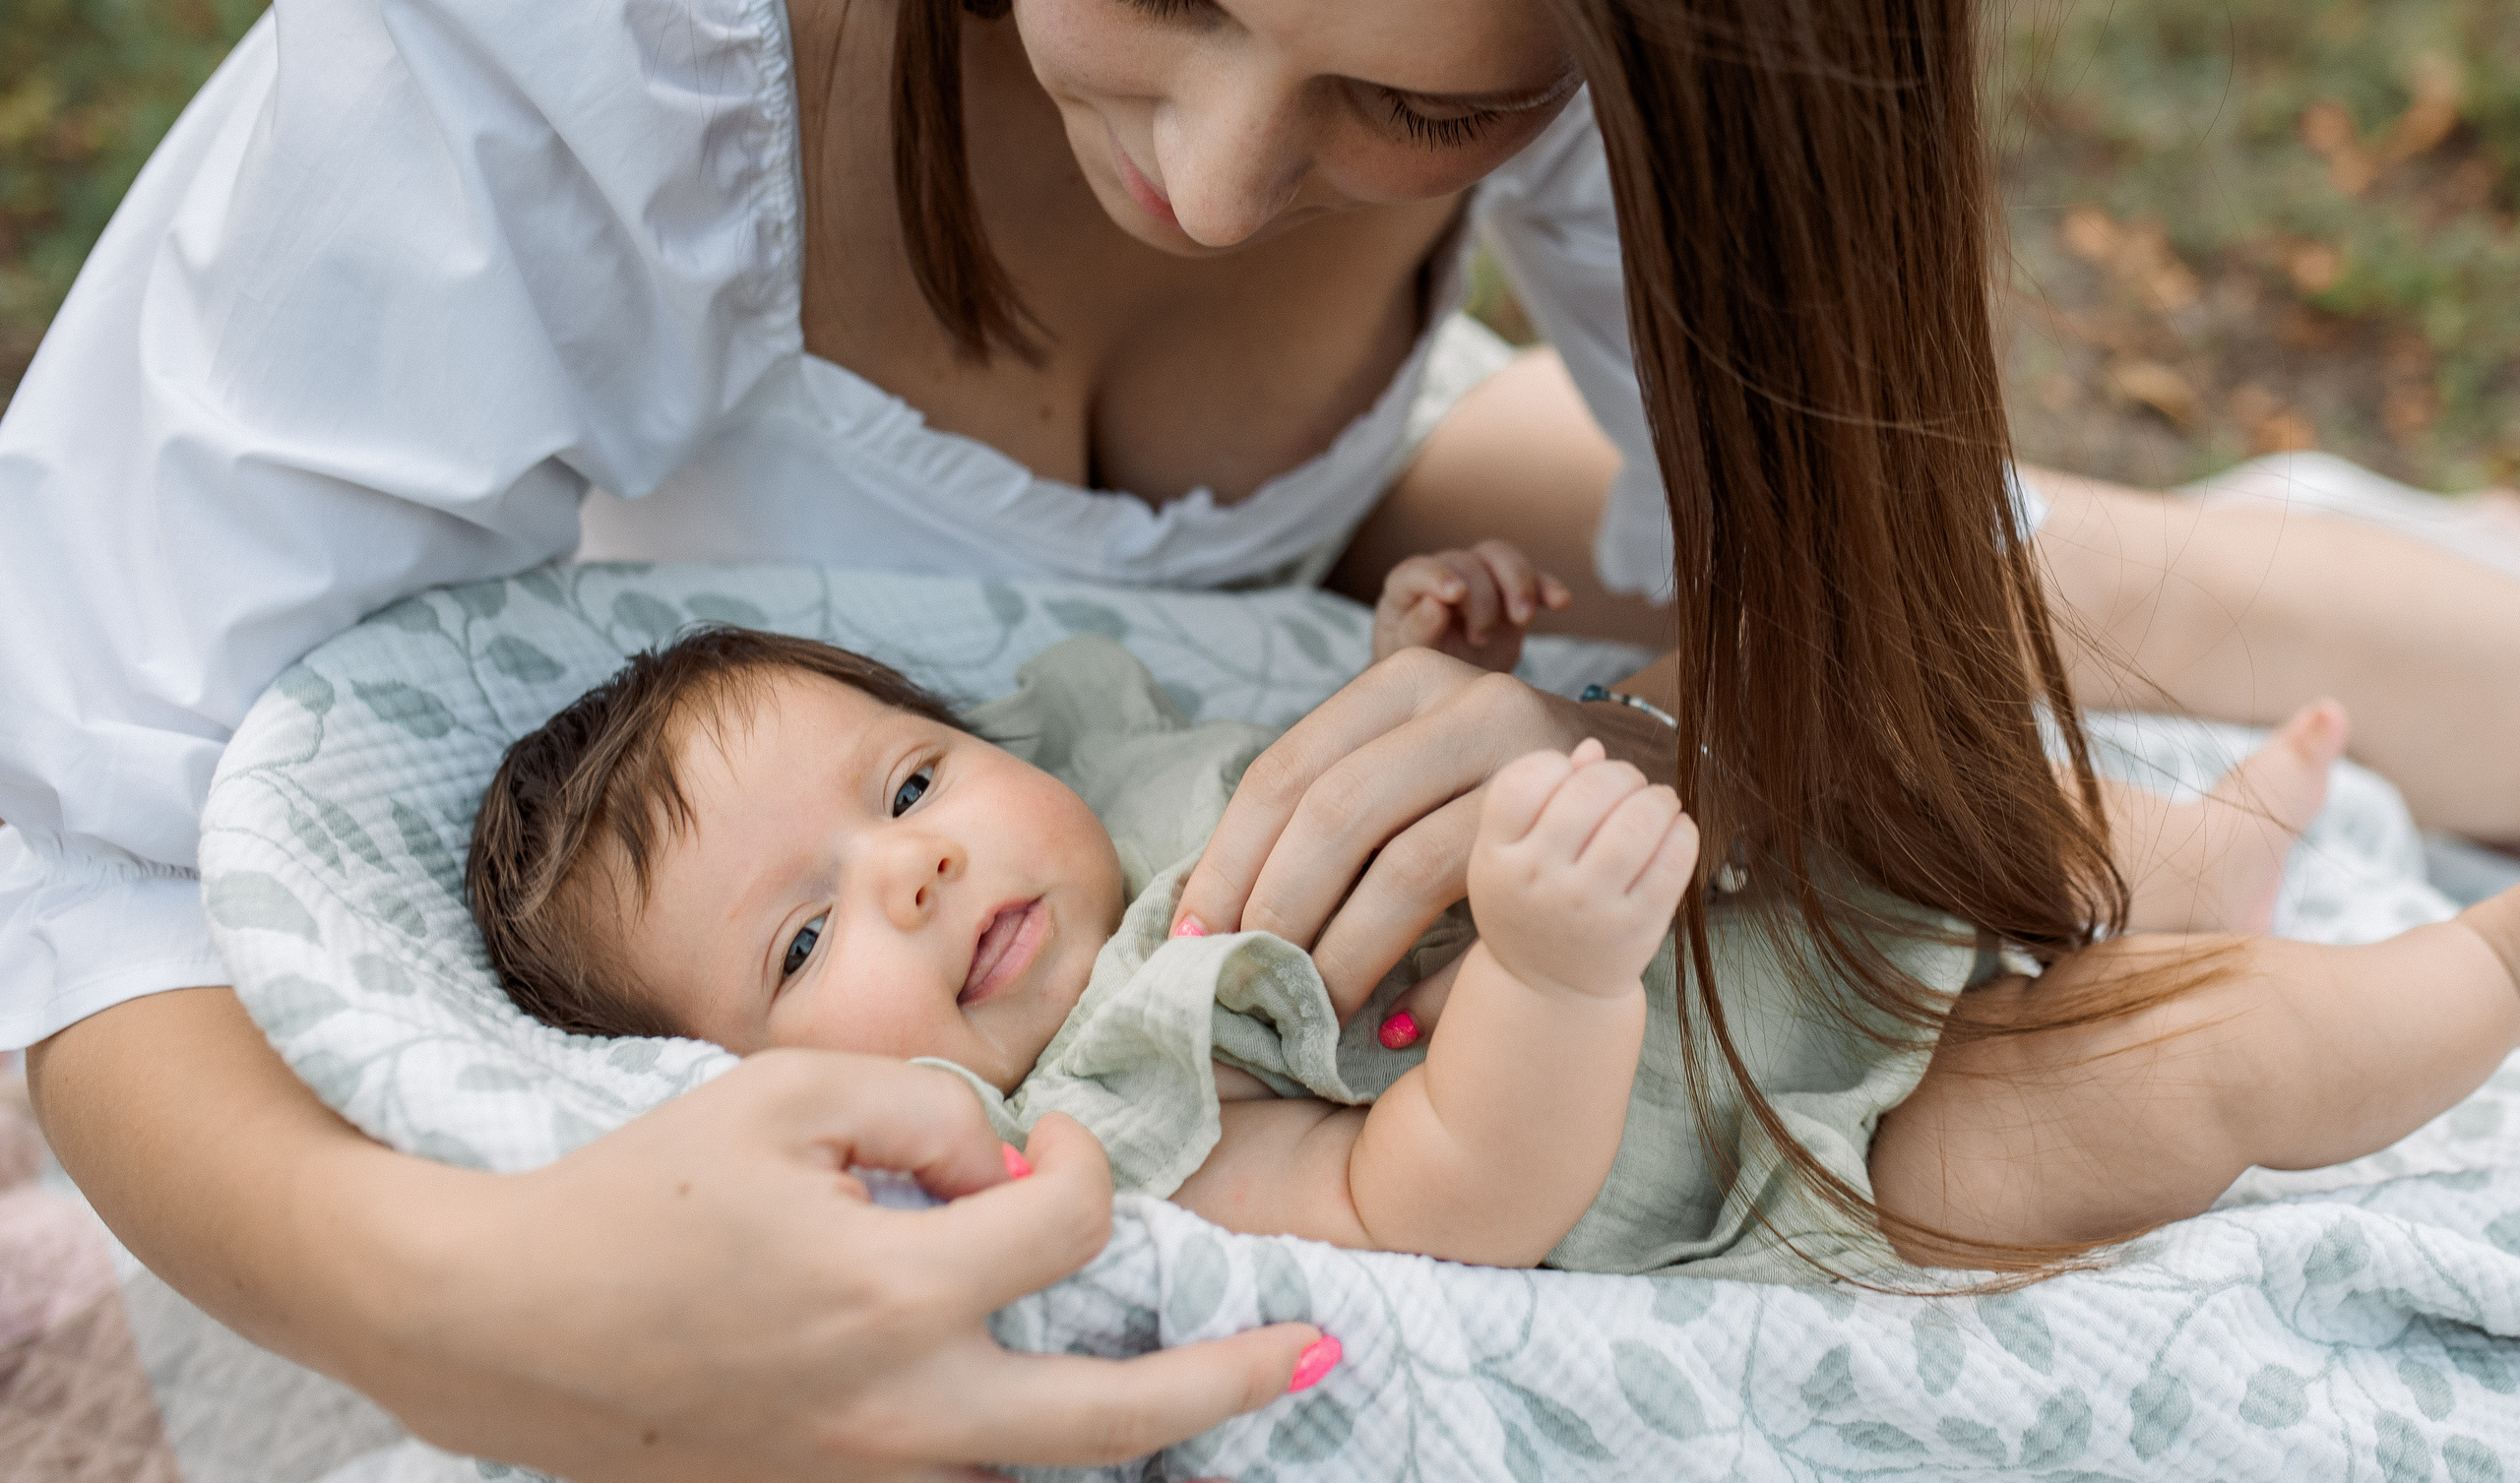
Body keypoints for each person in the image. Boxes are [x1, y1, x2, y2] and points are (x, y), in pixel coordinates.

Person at [4, 0, 2516, 1473]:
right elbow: (69, 839)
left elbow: (1837, 577)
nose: (1211, 186)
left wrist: (1633, 733)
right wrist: (478, 1304)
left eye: (1413, 107)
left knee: (2098, 590)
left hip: (1295, 642)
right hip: (527, 1193)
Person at [461, 619, 2514, 1274]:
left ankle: (2173, 853)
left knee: (1910, 741)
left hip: (1766, 898)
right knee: (2214, 1058)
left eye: (904, 790)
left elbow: (1366, 759)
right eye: (805, 936)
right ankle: (2481, 973)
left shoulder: (1096, 787)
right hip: (1803, 1148)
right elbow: (1429, 1196)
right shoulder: (1107, 1109)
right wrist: (1541, 972)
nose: (904, 871)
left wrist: (1436, 640)